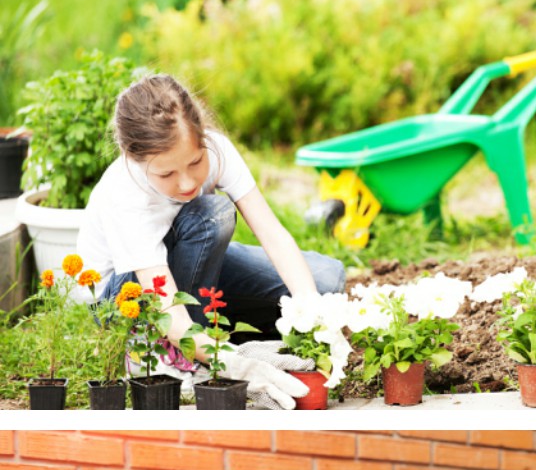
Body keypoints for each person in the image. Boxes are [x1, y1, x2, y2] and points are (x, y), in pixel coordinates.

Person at [77, 73, 345, 408]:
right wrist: (235, 366)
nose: (187, 182)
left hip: (186, 263)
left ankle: (213, 341)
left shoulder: (218, 150)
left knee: (325, 282)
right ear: (133, 158)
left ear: (203, 137)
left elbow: (272, 234)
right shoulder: (126, 194)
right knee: (211, 215)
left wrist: (314, 315)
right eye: (166, 174)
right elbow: (168, 311)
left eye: (195, 162)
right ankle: (159, 350)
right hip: (125, 295)